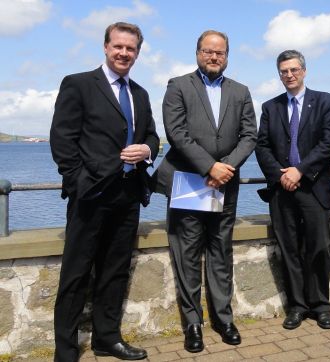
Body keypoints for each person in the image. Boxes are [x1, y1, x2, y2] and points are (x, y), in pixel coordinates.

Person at [50, 22, 159, 361]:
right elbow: (62, 140)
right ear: (106, 47)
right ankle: (65, 351)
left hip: (128, 196)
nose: (124, 53)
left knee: (114, 271)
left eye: (131, 49)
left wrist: (147, 150)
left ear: (138, 53)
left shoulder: (139, 93)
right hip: (91, 197)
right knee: (76, 275)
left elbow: (153, 136)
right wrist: (79, 182)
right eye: (118, 46)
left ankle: (106, 339)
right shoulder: (79, 84)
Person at [153, 30, 257, 352]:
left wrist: (225, 167)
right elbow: (176, 133)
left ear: (227, 56)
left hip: (226, 185)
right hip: (188, 183)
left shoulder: (241, 91)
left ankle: (224, 319)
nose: (214, 57)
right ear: (198, 53)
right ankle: (193, 324)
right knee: (186, 256)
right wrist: (208, 167)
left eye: (220, 53)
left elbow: (250, 135)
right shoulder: (178, 86)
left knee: (220, 253)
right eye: (208, 52)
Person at [255, 50, 330, 331]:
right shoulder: (270, 107)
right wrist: (281, 176)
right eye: (283, 71)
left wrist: (299, 170)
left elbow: (328, 144)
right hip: (282, 190)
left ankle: (320, 306)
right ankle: (298, 307)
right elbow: (262, 145)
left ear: (304, 71)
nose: (289, 75)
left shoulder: (326, 102)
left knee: (318, 249)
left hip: (314, 188)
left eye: (293, 70)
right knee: (289, 250)